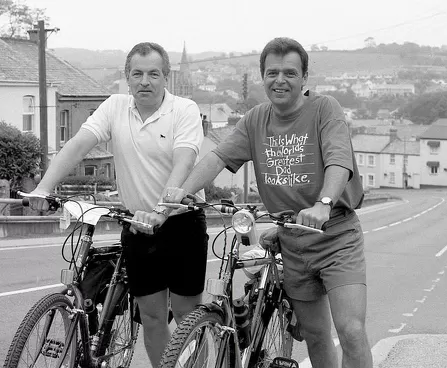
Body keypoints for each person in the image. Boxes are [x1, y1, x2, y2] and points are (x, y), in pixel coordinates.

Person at [165, 37, 372, 368]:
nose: (280, 80)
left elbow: (338, 160)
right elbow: (217, 157)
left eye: (290, 73)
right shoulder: (255, 120)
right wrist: (182, 193)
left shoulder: (324, 109)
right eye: (272, 73)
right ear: (263, 77)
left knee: (351, 330)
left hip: (335, 235)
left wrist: (324, 203)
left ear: (304, 78)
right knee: (316, 334)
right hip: (292, 239)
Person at [26, 42, 208, 367]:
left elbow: (184, 162)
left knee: (186, 316)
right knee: (152, 317)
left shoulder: (184, 109)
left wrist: (162, 210)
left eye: (153, 74)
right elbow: (78, 144)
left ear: (166, 77)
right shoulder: (115, 106)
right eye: (137, 74)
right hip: (138, 225)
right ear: (127, 78)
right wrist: (43, 187)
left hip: (181, 222)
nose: (145, 81)